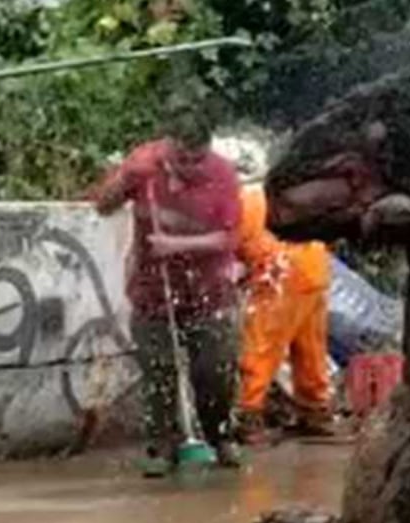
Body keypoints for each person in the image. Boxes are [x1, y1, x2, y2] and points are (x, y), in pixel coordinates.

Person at [87, 111, 242, 476]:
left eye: (196, 159)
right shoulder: (144, 166)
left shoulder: (222, 175)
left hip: (210, 291)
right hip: (152, 291)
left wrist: (175, 244)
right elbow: (102, 205)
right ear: (167, 145)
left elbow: (229, 238)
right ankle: (161, 446)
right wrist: (125, 179)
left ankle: (220, 436)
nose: (188, 167)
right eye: (180, 159)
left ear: (208, 149)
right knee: (159, 373)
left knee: (215, 372)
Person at [233, 179, 336, 442]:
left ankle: (248, 415)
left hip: (280, 274)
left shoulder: (238, 204)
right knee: (311, 349)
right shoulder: (276, 194)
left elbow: (228, 249)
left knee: (262, 346)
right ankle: (316, 413)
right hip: (315, 268)